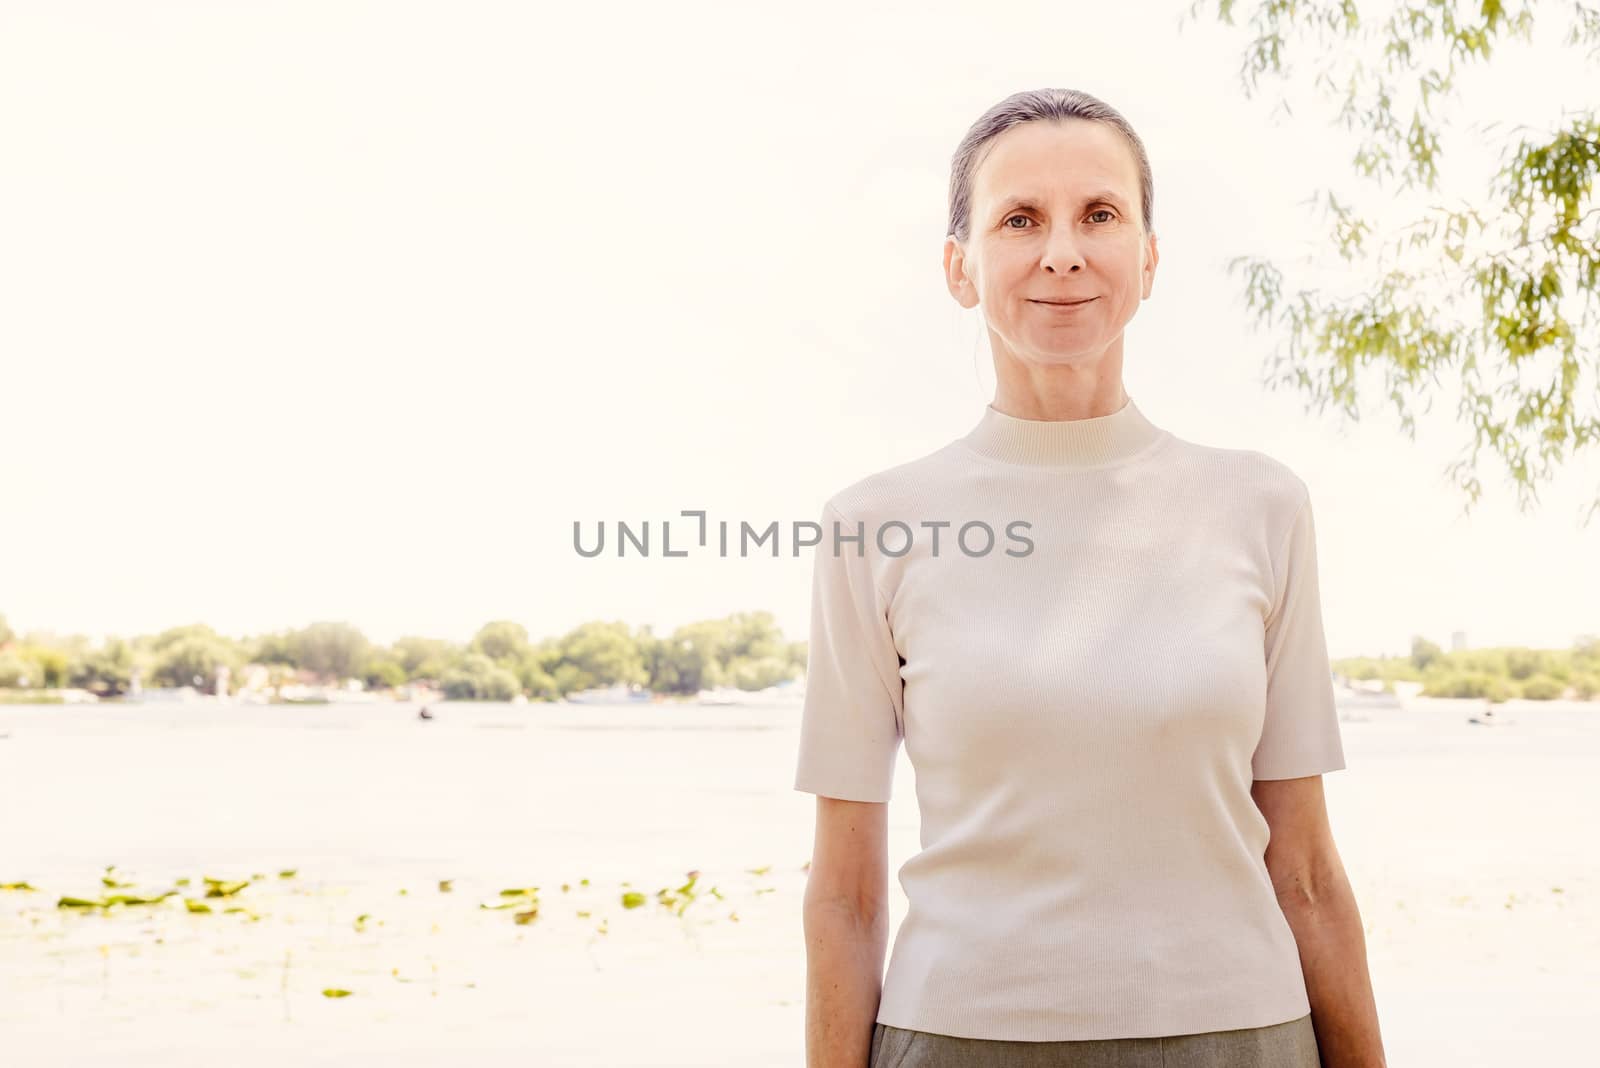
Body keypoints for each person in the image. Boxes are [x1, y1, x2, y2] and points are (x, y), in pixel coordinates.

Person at [794, 88, 1387, 1067]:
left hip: (1240, 1037)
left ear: (1147, 258)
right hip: (957, 1037)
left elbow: (1310, 871)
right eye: (1018, 220)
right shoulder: (872, 526)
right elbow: (843, 896)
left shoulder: (1260, 506)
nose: (1061, 251)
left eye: (1099, 215)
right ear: (960, 267)